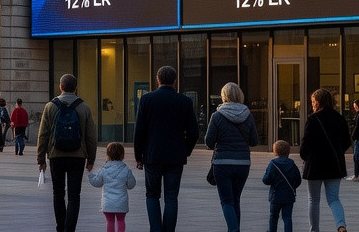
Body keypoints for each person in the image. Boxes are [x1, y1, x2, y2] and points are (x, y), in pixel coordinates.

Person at [133, 65, 199, 232]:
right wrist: (186, 150)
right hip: (175, 156)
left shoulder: (147, 100)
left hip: (152, 155)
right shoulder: (184, 102)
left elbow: (139, 130)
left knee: (152, 195)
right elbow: (193, 132)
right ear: (175, 81)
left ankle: (156, 229)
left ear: (158, 80)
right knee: (171, 198)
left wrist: (138, 156)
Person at [36, 73, 98, 232]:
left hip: (56, 156)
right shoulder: (84, 107)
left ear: (61, 86)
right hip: (78, 157)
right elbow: (91, 136)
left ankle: (60, 227)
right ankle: (70, 229)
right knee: (74, 196)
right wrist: (91, 158)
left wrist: (41, 158)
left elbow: (43, 134)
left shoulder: (50, 106)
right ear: (75, 88)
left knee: (58, 194)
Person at [205, 82, 260, 232]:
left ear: (224, 96)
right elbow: (254, 141)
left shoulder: (217, 116)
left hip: (222, 163)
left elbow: (209, 142)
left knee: (227, 202)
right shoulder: (248, 115)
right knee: (236, 200)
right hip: (243, 163)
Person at [300, 88, 351, 232]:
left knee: (313, 200)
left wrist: (306, 156)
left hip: (315, 166)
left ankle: (314, 229)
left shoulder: (313, 119)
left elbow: (306, 144)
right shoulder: (339, 118)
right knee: (334, 198)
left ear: (317, 102)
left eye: (312, 101)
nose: (312, 104)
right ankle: (341, 225)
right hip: (334, 166)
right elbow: (347, 141)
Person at [88, 142, 137, 232]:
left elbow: (97, 183)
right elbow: (131, 185)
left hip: (108, 203)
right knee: (121, 220)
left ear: (108, 154)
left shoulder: (104, 169)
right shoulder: (126, 170)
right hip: (121, 203)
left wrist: (90, 175)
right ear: (122, 155)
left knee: (109, 221)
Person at [262, 140, 302, 232]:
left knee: (273, 217)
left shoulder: (273, 164)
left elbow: (266, 180)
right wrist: (293, 186)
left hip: (275, 196)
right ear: (288, 152)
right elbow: (298, 180)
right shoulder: (292, 164)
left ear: (275, 152)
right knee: (287, 217)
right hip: (289, 196)